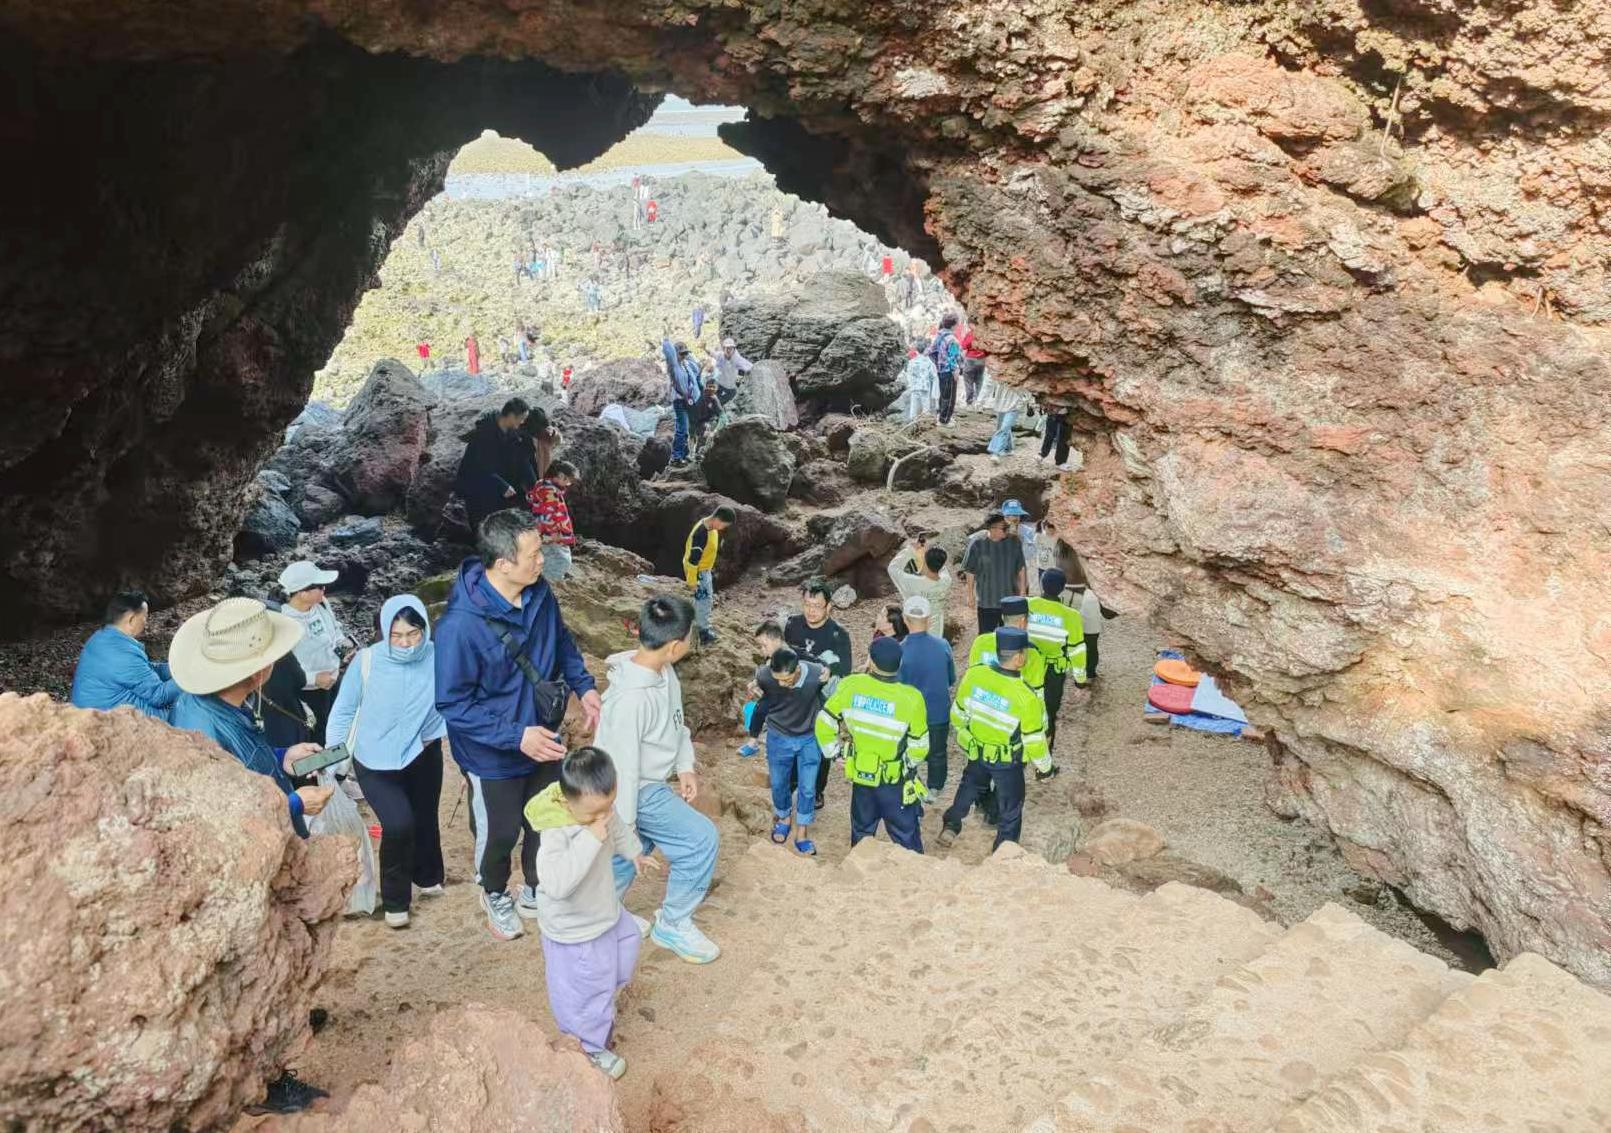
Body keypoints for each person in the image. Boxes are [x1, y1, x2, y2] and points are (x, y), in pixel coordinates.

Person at [433, 510, 601, 942]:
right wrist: (516, 736)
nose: (542, 559)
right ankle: (494, 892)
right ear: (503, 564)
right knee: (500, 832)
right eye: (534, 554)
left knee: (547, 818)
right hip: (492, 754)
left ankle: (534, 889)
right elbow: (452, 703)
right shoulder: (459, 627)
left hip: (543, 735)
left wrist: (583, 686)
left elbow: (561, 642)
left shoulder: (539, 593)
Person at [597, 595, 722, 964]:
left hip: (648, 781)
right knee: (701, 840)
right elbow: (621, 768)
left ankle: (602, 914)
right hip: (633, 788)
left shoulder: (663, 672)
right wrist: (624, 825)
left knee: (632, 850)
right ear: (674, 646)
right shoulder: (631, 700)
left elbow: (676, 723)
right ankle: (673, 923)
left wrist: (684, 765)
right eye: (690, 635)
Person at [524, 746, 658, 1080]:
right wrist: (590, 839)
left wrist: (635, 853)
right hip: (576, 929)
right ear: (569, 803)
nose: (604, 817)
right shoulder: (555, 830)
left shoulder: (600, 810)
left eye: (609, 805)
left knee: (626, 943)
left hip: (603, 911)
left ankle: (600, 1001)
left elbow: (617, 826)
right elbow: (557, 884)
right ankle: (588, 1048)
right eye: (595, 813)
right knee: (584, 988)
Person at [323, 596, 447, 928]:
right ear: (384, 632)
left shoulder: (438, 657)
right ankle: (395, 901)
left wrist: (437, 732)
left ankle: (427, 875)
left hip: (423, 753)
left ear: (425, 629)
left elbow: (457, 698)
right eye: (396, 635)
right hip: (375, 758)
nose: (405, 643)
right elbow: (343, 711)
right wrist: (333, 757)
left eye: (413, 634)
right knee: (398, 824)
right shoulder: (367, 661)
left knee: (424, 816)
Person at [168, 598, 333, 837]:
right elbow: (220, 813)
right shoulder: (205, 732)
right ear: (260, 673)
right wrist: (295, 804)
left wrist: (282, 756)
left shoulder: (204, 703)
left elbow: (243, 760)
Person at [814, 637, 930, 853]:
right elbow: (920, 745)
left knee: (862, 832)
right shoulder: (912, 698)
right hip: (894, 781)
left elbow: (824, 722)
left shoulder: (850, 685)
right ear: (899, 663)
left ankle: (858, 869)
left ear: (871, 661)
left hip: (862, 777)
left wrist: (835, 753)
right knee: (906, 836)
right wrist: (906, 765)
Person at [936, 627, 1047, 850]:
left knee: (968, 788)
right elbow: (1034, 741)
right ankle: (1004, 850)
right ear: (1019, 658)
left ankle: (951, 826)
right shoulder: (1026, 696)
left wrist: (968, 739)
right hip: (1007, 763)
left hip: (977, 752)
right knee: (1011, 808)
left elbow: (958, 716)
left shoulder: (974, 675)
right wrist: (1046, 767)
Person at [750, 647, 828, 855]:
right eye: (778, 680)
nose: (782, 684)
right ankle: (784, 818)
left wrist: (828, 669)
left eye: (787, 679)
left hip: (809, 737)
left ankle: (802, 831)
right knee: (778, 783)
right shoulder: (765, 676)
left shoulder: (815, 674)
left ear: (798, 669)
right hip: (778, 736)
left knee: (808, 788)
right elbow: (758, 685)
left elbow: (825, 668)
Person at [784, 579, 854, 810]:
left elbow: (846, 668)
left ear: (828, 607)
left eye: (817, 606)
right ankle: (792, 781)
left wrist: (830, 669)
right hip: (794, 694)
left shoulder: (838, 634)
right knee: (793, 739)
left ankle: (817, 789)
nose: (811, 611)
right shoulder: (793, 625)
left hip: (823, 697)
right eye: (807, 604)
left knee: (820, 740)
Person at [69, 590, 181, 720]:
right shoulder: (122, 653)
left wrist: (177, 667)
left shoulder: (101, 637)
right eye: (145, 616)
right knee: (188, 706)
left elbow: (145, 669)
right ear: (131, 619)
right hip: (106, 721)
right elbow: (159, 696)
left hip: (90, 711)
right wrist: (189, 676)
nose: (146, 622)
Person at [277, 560, 354, 743]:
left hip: (332, 681)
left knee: (336, 725)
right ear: (302, 592)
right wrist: (314, 679)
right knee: (314, 735)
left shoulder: (322, 605)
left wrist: (345, 650)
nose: (324, 590)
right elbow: (280, 671)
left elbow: (335, 631)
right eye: (319, 587)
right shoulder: (283, 623)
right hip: (306, 692)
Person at [897, 596, 956, 798]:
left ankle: (910, 782)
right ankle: (935, 786)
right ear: (929, 619)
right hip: (938, 711)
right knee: (938, 752)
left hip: (910, 715)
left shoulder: (899, 650)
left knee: (907, 749)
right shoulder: (943, 646)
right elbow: (951, 678)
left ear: (905, 619)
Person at [1026, 568, 1088, 753]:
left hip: (1027, 667)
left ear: (1041, 584)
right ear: (1062, 589)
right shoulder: (1071, 616)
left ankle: (1023, 753)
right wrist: (1080, 681)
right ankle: (1044, 760)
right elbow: (1077, 651)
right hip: (1053, 673)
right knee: (1049, 713)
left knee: (1025, 708)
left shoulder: (1027, 605)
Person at [455, 397, 532, 530]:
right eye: (522, 418)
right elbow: (478, 467)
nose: (523, 422)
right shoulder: (484, 433)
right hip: (479, 486)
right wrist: (501, 485)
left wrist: (534, 486)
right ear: (511, 416)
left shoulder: (513, 433)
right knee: (484, 526)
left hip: (501, 485)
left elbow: (522, 460)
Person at [959, 513, 1026, 633]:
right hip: (986, 602)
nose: (1007, 530)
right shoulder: (977, 544)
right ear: (992, 529)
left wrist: (1022, 591)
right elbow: (970, 571)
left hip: (1010, 601)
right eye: (1004, 528)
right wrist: (970, 594)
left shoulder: (1014, 542)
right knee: (986, 636)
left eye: (1007, 527)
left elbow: (1021, 567)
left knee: (1010, 636)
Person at [683, 506, 735, 646]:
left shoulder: (710, 527)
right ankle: (702, 632)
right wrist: (692, 581)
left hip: (704, 570)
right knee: (704, 601)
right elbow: (693, 559)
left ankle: (692, 624)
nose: (723, 528)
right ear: (717, 519)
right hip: (699, 573)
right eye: (724, 525)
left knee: (699, 601)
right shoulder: (701, 534)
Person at [885, 537, 954, 639]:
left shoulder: (913, 583)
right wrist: (928, 554)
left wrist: (910, 550)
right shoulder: (946, 581)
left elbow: (893, 568)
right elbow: (941, 566)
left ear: (925, 562)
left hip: (912, 632)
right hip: (936, 635)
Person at [528, 459, 579, 584]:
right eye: (568, 481)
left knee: (547, 555)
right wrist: (552, 533)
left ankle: (544, 577)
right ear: (561, 476)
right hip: (551, 532)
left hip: (543, 531)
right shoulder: (550, 492)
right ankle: (549, 579)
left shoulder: (542, 484)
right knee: (562, 560)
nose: (568, 484)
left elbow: (531, 498)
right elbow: (548, 514)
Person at [661, 336, 704, 467]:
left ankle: (685, 454)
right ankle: (676, 457)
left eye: (686, 353)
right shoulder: (673, 367)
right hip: (680, 401)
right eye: (681, 354)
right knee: (682, 429)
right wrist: (666, 340)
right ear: (676, 354)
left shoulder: (687, 365)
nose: (684, 356)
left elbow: (696, 370)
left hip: (690, 400)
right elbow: (669, 353)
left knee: (692, 428)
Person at [930, 313, 964, 424]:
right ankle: (945, 420)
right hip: (949, 371)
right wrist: (955, 369)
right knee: (949, 397)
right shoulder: (952, 339)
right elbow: (953, 357)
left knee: (943, 395)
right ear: (954, 325)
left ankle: (941, 416)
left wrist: (937, 364)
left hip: (940, 370)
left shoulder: (939, 336)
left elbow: (931, 352)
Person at [986, 380, 1031, 462]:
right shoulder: (999, 374)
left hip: (1014, 406)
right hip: (1001, 404)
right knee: (1003, 427)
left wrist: (1023, 401)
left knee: (1004, 428)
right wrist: (981, 401)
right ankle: (1008, 449)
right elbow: (989, 384)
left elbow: (1029, 390)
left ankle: (995, 452)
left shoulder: (1021, 376)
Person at [902, 339, 939, 423]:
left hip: (914, 387)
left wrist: (910, 383)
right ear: (925, 349)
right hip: (925, 387)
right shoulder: (928, 362)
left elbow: (909, 374)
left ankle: (913, 421)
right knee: (925, 406)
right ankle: (925, 422)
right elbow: (933, 375)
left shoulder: (912, 362)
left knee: (914, 406)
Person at [707, 338, 752, 405]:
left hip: (730, 388)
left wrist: (738, 383)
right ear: (723, 349)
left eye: (730, 348)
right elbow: (712, 354)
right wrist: (704, 348)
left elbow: (749, 368)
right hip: (720, 383)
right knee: (710, 386)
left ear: (734, 349)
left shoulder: (737, 359)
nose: (728, 350)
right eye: (727, 348)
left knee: (718, 403)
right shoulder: (720, 356)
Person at [688, 377, 724, 458]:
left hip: (708, 422)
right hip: (696, 420)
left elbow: (722, 415)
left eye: (713, 387)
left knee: (706, 431)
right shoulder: (700, 394)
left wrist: (715, 430)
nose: (711, 389)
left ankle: (700, 453)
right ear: (706, 387)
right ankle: (694, 453)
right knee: (693, 436)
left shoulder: (715, 399)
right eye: (709, 386)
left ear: (717, 389)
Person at [958, 323, 988, 405]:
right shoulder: (984, 334)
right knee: (979, 379)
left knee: (968, 379)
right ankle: (978, 400)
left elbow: (964, 346)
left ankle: (969, 400)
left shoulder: (970, 334)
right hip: (981, 359)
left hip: (970, 358)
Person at [1002, 498, 1037, 565]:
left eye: (1017, 515)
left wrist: (1021, 539)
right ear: (1004, 517)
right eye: (1011, 515)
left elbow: (1031, 554)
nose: (1015, 518)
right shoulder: (998, 530)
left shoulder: (1028, 531)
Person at [1039, 404, 1074, 469]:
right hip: (1053, 412)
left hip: (1067, 415)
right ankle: (1042, 454)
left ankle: (1061, 462)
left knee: (1064, 438)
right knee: (1049, 435)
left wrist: (1067, 409)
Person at [1034, 518, 1062, 589]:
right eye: (1049, 528)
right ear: (1045, 527)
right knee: (1042, 586)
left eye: (1053, 529)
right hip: (1042, 566)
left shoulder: (1057, 537)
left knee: (1053, 587)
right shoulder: (1039, 536)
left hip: (1053, 567)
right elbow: (1035, 544)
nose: (1051, 531)